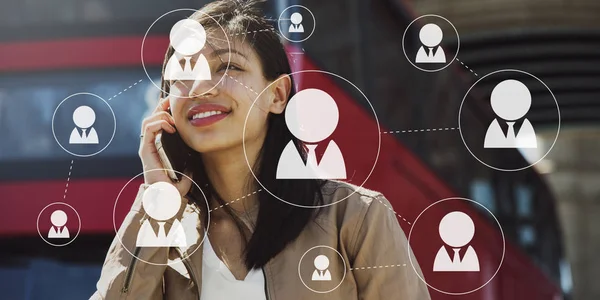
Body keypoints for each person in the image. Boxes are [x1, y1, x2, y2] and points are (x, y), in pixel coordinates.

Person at [92, 1, 430, 299]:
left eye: (228, 67)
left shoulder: (356, 217)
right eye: (183, 73)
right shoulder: (166, 233)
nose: (200, 87)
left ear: (278, 95)